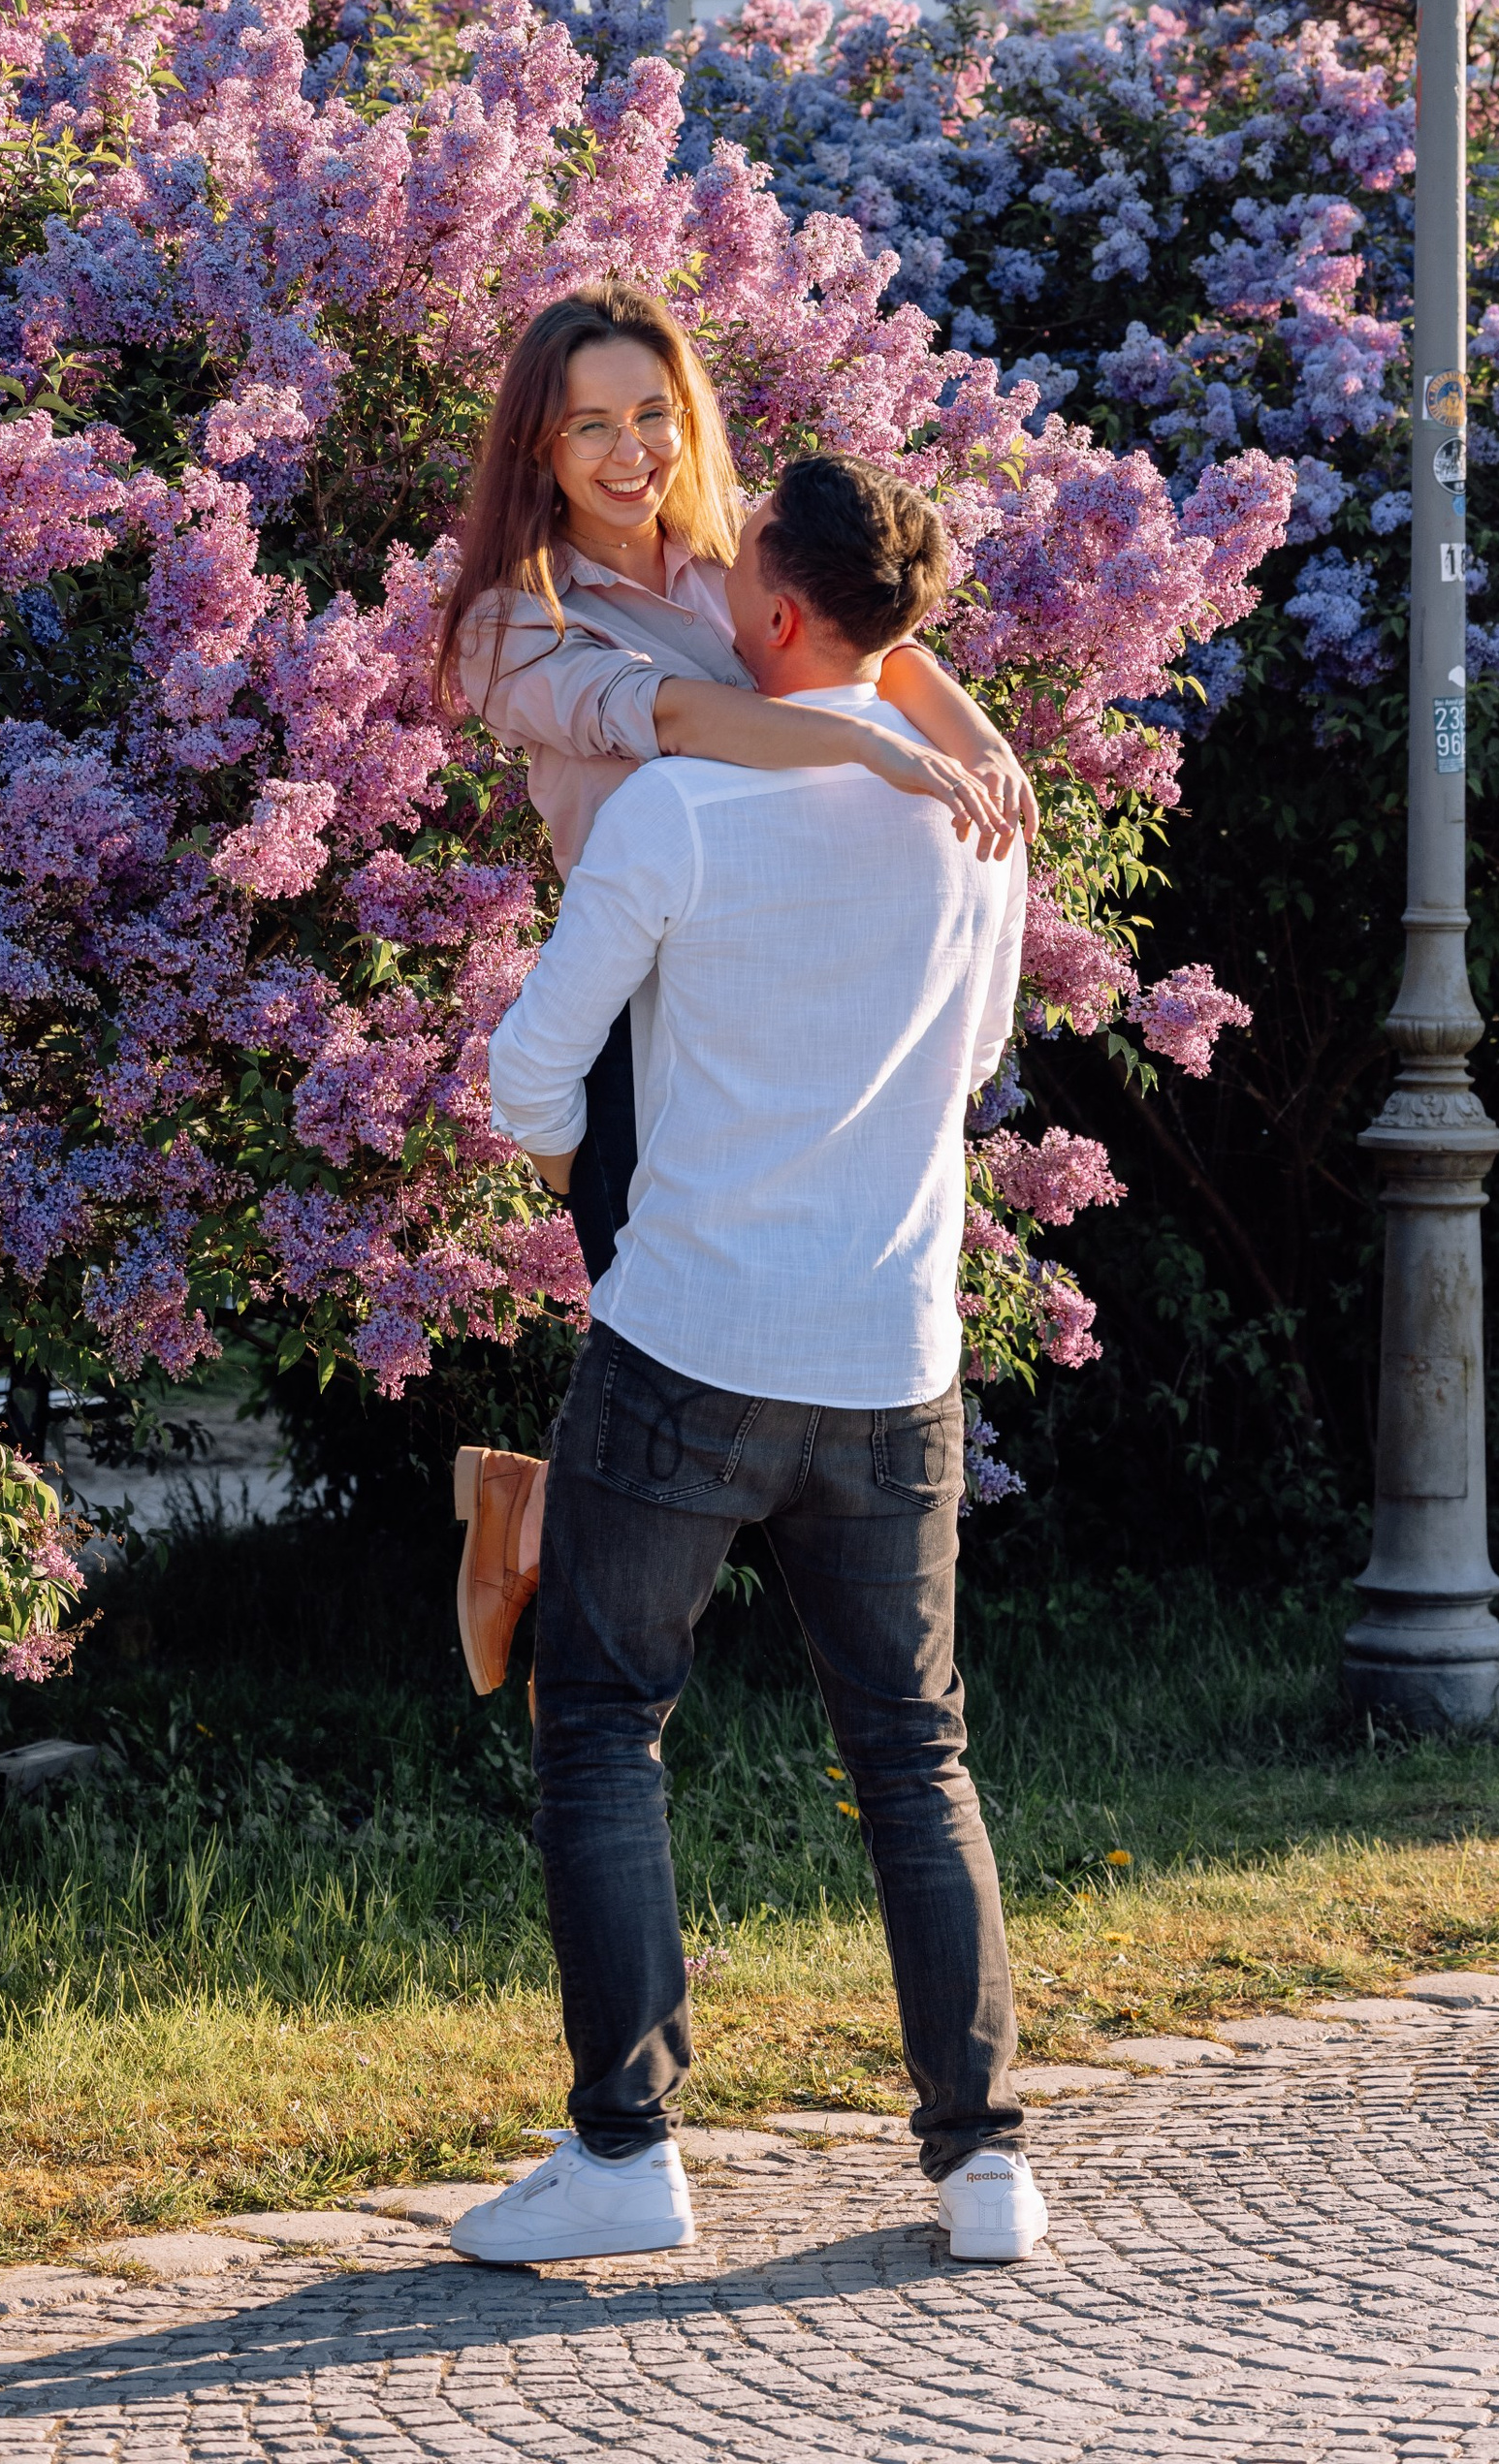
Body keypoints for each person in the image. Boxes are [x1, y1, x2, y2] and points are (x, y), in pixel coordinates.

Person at [445, 450, 1047, 2272]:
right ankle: (983, 2158)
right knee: (912, 1748)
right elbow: (977, 1054)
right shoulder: (975, 816)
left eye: (732, 582)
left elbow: (522, 1086)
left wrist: (632, 1166)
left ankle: (627, 2150)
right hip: (894, 1353)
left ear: (776, 612)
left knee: (604, 1719)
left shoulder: (677, 810)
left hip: (687, 1343)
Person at [433, 281, 1036, 1696]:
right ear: (539, 446)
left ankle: (536, 1520)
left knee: (734, 1379)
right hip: (631, 1031)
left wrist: (975, 740)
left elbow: (880, 639)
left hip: (763, 992)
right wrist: (859, 747)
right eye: (592, 424)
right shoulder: (510, 625)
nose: (631, 448)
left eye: (653, 412)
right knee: (676, 1376)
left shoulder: (731, 552)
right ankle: (544, 1553)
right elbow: (678, 718)